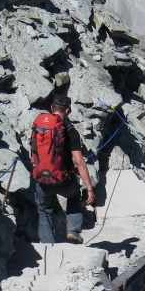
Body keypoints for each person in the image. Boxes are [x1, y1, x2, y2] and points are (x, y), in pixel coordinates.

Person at [32, 93, 96, 244]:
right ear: (67, 110)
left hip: (42, 179)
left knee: (44, 210)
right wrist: (89, 188)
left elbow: (34, 155)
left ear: (51, 108)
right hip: (64, 179)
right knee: (74, 196)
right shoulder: (70, 131)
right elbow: (79, 161)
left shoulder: (39, 127)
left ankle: (48, 246)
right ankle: (73, 230)